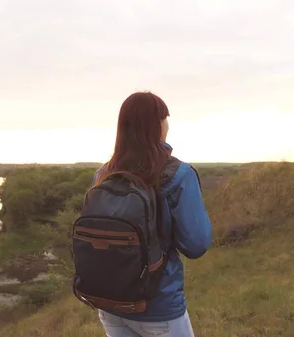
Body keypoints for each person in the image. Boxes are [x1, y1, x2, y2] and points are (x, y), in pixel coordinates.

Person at [90, 91, 213, 337]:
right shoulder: (179, 174)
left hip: (110, 303)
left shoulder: (103, 174)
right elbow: (196, 244)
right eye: (165, 118)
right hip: (158, 304)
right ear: (157, 124)